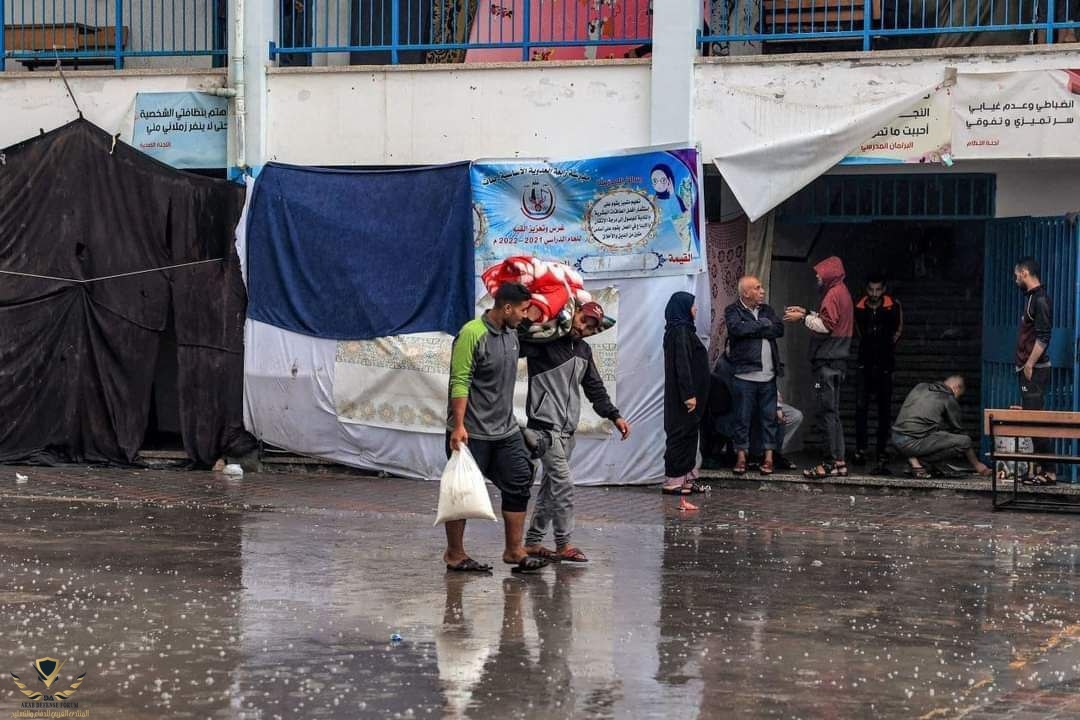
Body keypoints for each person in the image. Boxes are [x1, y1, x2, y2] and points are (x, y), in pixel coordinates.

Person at [445, 282, 549, 574]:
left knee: (520, 478)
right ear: (507, 308)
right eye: (523, 310)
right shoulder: (472, 333)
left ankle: (514, 551)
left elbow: (550, 325)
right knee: (462, 492)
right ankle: (455, 554)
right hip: (471, 431)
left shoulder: (512, 333)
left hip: (505, 429)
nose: (525, 316)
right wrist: (458, 426)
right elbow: (460, 381)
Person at [521, 302, 631, 563]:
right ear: (573, 313)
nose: (584, 328)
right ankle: (563, 543)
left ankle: (533, 542)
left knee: (551, 487)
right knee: (563, 484)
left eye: (591, 327)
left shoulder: (583, 350)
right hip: (543, 428)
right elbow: (519, 342)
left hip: (567, 431)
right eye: (583, 320)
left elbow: (594, 387)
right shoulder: (545, 342)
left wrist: (614, 415)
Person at [784, 256, 855, 479]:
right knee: (832, 413)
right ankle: (839, 462)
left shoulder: (833, 294)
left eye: (819, 274)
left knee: (826, 413)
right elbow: (829, 319)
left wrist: (803, 317)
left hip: (828, 361)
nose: (817, 277)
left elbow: (826, 325)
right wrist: (806, 312)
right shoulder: (842, 291)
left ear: (829, 274)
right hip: (837, 361)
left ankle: (830, 462)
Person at [724, 276, 784, 476]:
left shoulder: (767, 310)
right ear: (746, 293)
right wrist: (762, 325)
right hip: (744, 376)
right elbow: (737, 329)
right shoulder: (733, 310)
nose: (762, 291)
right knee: (742, 419)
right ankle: (741, 457)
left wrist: (755, 327)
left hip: (768, 376)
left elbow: (779, 329)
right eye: (757, 288)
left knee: (769, 419)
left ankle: (769, 458)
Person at [891, 375, 992, 478]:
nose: (957, 398)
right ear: (957, 388)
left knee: (936, 433)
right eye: (959, 395)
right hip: (911, 444)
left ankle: (913, 460)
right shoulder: (948, 397)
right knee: (965, 441)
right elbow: (958, 430)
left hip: (896, 438)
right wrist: (976, 464)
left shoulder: (920, 386)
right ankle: (921, 462)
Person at [661, 292, 711, 495]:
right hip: (683, 397)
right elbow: (682, 364)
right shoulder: (680, 331)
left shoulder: (683, 330)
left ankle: (686, 478)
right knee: (680, 435)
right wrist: (688, 394)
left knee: (689, 434)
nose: (695, 309)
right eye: (692, 305)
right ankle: (673, 480)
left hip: (689, 397)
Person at [853, 274, 903, 471]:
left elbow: (898, 330)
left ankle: (881, 450)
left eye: (878, 290)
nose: (874, 293)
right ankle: (861, 448)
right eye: (871, 289)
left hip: (885, 363)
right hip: (864, 363)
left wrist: (887, 347)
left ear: (883, 289)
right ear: (866, 289)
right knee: (861, 408)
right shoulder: (859, 307)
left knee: (884, 410)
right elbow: (858, 331)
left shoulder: (893, 306)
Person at [1014, 256, 1056, 485]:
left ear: (1025, 273)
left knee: (1034, 420)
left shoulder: (1040, 300)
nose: (1015, 280)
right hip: (1027, 368)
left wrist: (1029, 363)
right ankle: (1040, 468)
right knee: (1031, 420)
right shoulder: (1031, 298)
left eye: (1017, 275)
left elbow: (1044, 337)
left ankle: (1049, 471)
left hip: (1035, 369)